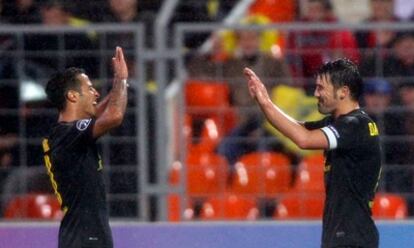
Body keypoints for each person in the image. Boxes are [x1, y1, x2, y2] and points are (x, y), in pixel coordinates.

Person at [244, 58, 381, 247]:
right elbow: (299, 129)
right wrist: (264, 104)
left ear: (343, 92)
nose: (316, 93)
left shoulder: (356, 125)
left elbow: (304, 140)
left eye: (321, 88)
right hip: (343, 236)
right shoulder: (341, 123)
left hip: (352, 238)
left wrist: (267, 103)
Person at [41, 46, 128, 248]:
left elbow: (98, 113)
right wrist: (122, 79)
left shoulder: (65, 134)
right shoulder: (67, 134)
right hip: (85, 238)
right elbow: (114, 116)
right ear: (72, 96)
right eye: (89, 88)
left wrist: (118, 84)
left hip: (84, 236)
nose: (96, 93)